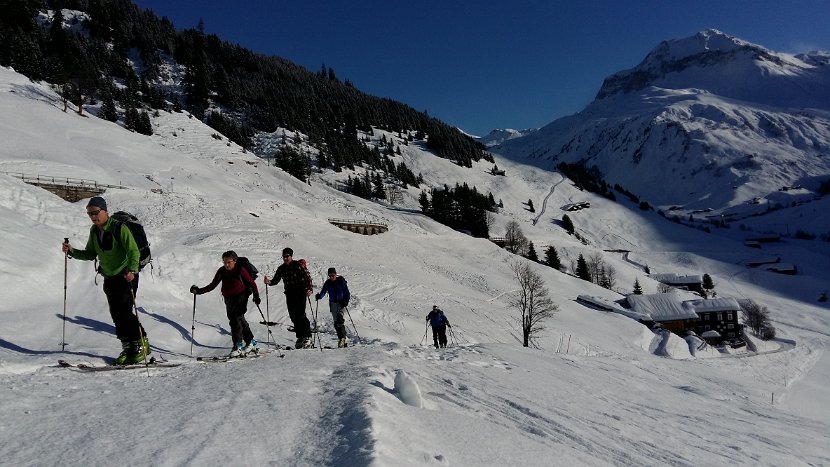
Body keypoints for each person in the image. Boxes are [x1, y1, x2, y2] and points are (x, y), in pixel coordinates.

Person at [62, 196, 150, 364]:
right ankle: (128, 346)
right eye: (89, 214)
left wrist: (131, 270)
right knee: (116, 314)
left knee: (124, 312)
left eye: (95, 212)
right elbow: (90, 254)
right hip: (109, 278)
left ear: (105, 211)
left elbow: (133, 252)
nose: (93, 216)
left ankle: (141, 344)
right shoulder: (94, 231)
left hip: (126, 276)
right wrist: (72, 251)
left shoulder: (119, 228)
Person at [190, 250, 261, 357]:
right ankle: (250, 341)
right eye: (224, 262)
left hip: (241, 296)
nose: (226, 264)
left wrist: (256, 296)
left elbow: (251, 283)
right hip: (228, 298)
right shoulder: (222, 271)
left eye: (229, 262)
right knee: (239, 318)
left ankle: (238, 345)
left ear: (235, 261)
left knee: (235, 319)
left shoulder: (240, 270)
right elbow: (213, 285)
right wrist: (199, 291)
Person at [264, 247, 313, 348]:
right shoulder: (281, 268)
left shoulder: (298, 265)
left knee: (300, 314)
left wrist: (309, 288)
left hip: (300, 293)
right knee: (293, 316)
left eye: (287, 256)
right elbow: (275, 280)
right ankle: (300, 336)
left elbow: (307, 277)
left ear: (291, 256)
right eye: (284, 256)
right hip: (290, 294)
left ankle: (307, 336)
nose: (285, 258)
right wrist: (268, 282)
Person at [315, 267, 351, 348]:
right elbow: (323, 291)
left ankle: (342, 338)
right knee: (336, 323)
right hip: (333, 304)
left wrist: (346, 301)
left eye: (333, 275)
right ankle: (342, 339)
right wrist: (319, 296)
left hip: (341, 303)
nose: (332, 277)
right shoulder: (328, 283)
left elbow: (346, 292)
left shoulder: (341, 281)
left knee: (339, 319)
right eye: (330, 275)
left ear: (335, 274)